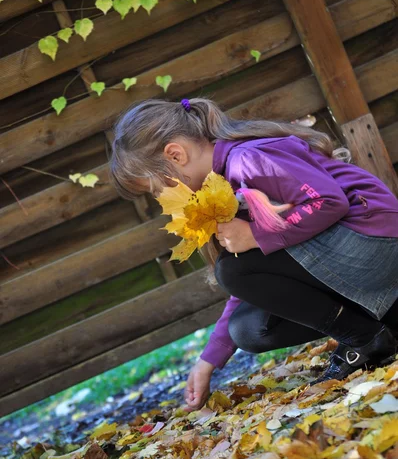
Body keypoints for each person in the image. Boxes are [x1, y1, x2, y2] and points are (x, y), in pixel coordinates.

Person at [110, 97, 398, 412]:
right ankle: (384, 323)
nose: (161, 198)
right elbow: (259, 275)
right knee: (247, 328)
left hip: (376, 246)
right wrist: (209, 359)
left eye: (155, 189)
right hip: (350, 258)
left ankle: (366, 338)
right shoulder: (220, 185)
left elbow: (329, 202)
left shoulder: (247, 159)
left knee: (232, 270)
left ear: (175, 155)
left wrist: (255, 235)